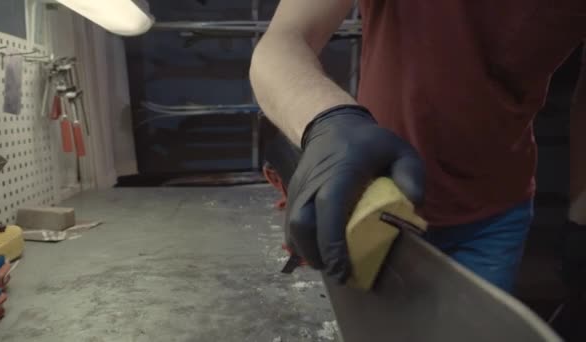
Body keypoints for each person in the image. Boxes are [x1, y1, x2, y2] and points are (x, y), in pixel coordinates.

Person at [249, 0, 586, 294]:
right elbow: (283, 41)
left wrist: (580, 216)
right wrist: (329, 120)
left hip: (497, 216)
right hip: (374, 207)